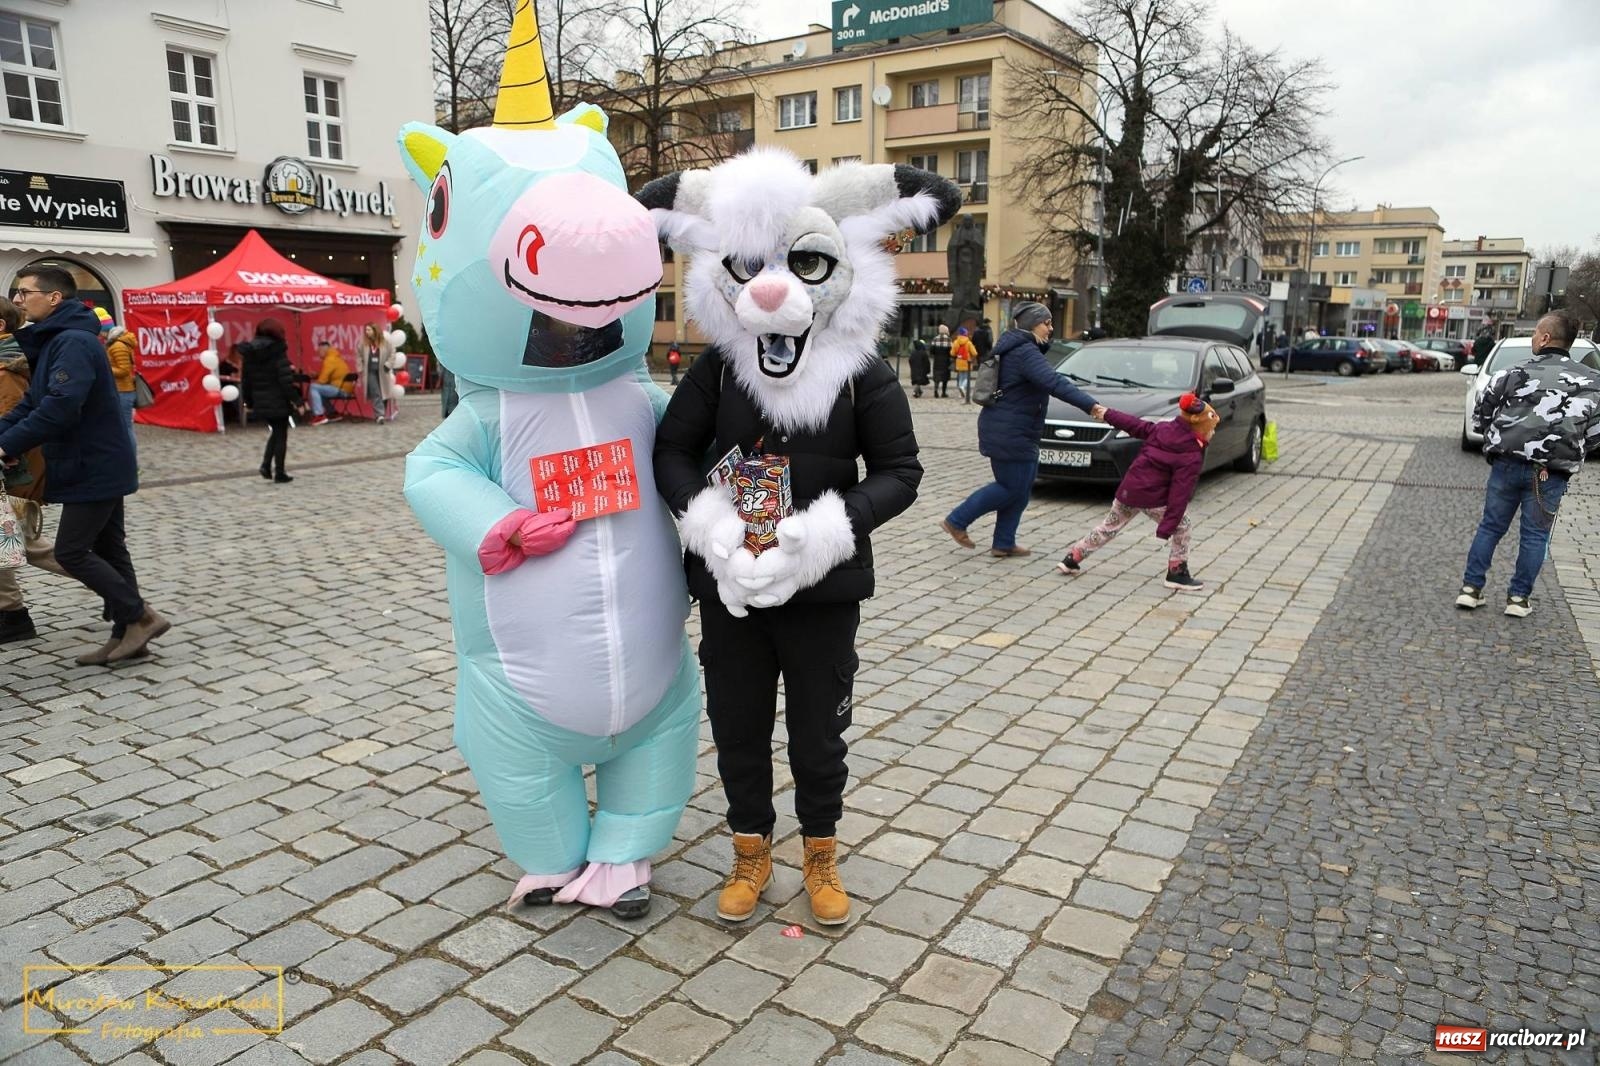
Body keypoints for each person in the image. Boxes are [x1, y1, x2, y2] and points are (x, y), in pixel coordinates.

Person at [0, 266, 167, 665]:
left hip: (92, 462)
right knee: (110, 548)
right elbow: (32, 403)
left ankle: (140, 617)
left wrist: (7, 444)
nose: (19, 299)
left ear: (54, 298)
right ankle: (127, 634)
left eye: (25, 292)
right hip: (93, 460)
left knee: (73, 552)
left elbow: (60, 406)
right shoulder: (57, 339)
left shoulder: (71, 341)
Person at [1457, 312, 1600, 617]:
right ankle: (1518, 600)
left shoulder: (1512, 372)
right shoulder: (1593, 382)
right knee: (1535, 535)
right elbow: (1597, 432)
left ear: (1546, 338)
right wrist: (1573, 448)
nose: (1535, 338)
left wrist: (1497, 436)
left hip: (1506, 464)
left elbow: (1482, 413)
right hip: (1551, 472)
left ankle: (1471, 590)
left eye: (1536, 333)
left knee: (1491, 526)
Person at [941, 302, 1103, 556]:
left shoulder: (1023, 349)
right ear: (1031, 324)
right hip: (1009, 431)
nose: (1050, 328)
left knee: (1021, 488)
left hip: (1016, 429)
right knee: (1010, 487)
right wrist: (1091, 406)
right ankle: (957, 520)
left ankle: (1004, 542)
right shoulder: (1025, 352)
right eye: (1046, 323)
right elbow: (1053, 382)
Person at [1056, 393, 1215, 591]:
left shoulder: (1161, 429)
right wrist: (1168, 526)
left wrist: (1107, 413)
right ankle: (1177, 572)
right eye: (1212, 429)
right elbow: (1180, 492)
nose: (1213, 433)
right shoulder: (1191, 453)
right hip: (1152, 498)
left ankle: (1073, 557)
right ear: (1199, 426)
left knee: (1108, 527)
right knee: (1183, 526)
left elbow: (1132, 424)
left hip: (1129, 490)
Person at [0, 296, 68, 645]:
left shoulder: (7, 372)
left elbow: (13, 425)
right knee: (22, 544)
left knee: (25, 545)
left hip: (11, 474)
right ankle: (12, 613)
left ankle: (114, 586)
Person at [238, 320, 301, 484]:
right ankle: (279, 471)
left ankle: (266, 465)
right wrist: (297, 400)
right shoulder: (278, 350)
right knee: (281, 434)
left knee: (277, 431)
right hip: (278, 397)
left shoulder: (250, 352)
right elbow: (285, 380)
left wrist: (248, 401)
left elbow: (246, 380)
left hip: (260, 398)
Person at [103, 321, 139, 454]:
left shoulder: (117, 345)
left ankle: (132, 461)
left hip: (123, 391)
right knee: (124, 427)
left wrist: (105, 368)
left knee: (126, 427)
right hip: (122, 390)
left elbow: (124, 370)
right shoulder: (117, 343)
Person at [361, 323, 398, 423]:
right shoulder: (363, 344)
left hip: (383, 371)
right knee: (375, 392)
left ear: (375, 330)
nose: (367, 332)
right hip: (370, 371)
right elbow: (359, 357)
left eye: (369, 330)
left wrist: (388, 364)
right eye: (366, 330)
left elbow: (392, 353)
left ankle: (381, 412)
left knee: (384, 393)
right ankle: (380, 415)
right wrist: (360, 368)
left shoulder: (385, 342)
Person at [308, 345, 352, 425]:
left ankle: (319, 415)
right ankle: (333, 413)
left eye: (319, 352)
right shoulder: (336, 357)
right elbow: (329, 376)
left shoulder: (329, 360)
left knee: (313, 387)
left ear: (323, 350)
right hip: (346, 389)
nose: (318, 354)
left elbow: (322, 381)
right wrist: (317, 375)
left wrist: (317, 380)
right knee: (320, 391)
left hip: (340, 389)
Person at [952, 327, 977, 403]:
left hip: (959, 361)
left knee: (960, 376)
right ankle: (963, 386)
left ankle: (960, 390)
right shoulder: (968, 342)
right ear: (965, 334)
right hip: (967, 362)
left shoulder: (956, 342)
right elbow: (974, 353)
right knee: (966, 377)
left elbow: (952, 353)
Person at [929, 323, 953, 398]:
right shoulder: (949, 339)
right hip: (946, 361)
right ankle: (943, 392)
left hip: (937, 360)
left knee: (937, 377)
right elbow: (951, 352)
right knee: (945, 377)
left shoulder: (935, 339)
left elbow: (931, 351)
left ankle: (936, 390)